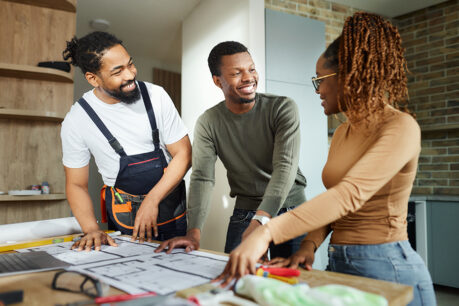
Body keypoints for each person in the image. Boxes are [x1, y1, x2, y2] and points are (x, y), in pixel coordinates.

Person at [216, 12, 436, 306]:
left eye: (321, 79)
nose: (317, 88)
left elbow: (349, 196)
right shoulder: (344, 132)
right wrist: (309, 244)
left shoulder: (400, 127)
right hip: (339, 264)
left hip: (388, 267)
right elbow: (334, 199)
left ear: (350, 75)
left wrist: (265, 233)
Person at [156, 41, 307, 258]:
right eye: (237, 73)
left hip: (289, 206)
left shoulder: (282, 108)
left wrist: (261, 221)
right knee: (235, 276)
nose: (248, 77)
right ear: (218, 81)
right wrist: (193, 232)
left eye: (251, 69)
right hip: (246, 209)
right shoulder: (208, 121)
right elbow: (202, 178)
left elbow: (284, 167)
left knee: (291, 283)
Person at [61, 31, 191, 250]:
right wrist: (91, 229)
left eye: (130, 65)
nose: (130, 75)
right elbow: (76, 184)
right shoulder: (77, 120)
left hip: (169, 206)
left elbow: (184, 154)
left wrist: (152, 200)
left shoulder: (156, 95)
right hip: (124, 214)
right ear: (93, 78)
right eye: (117, 71)